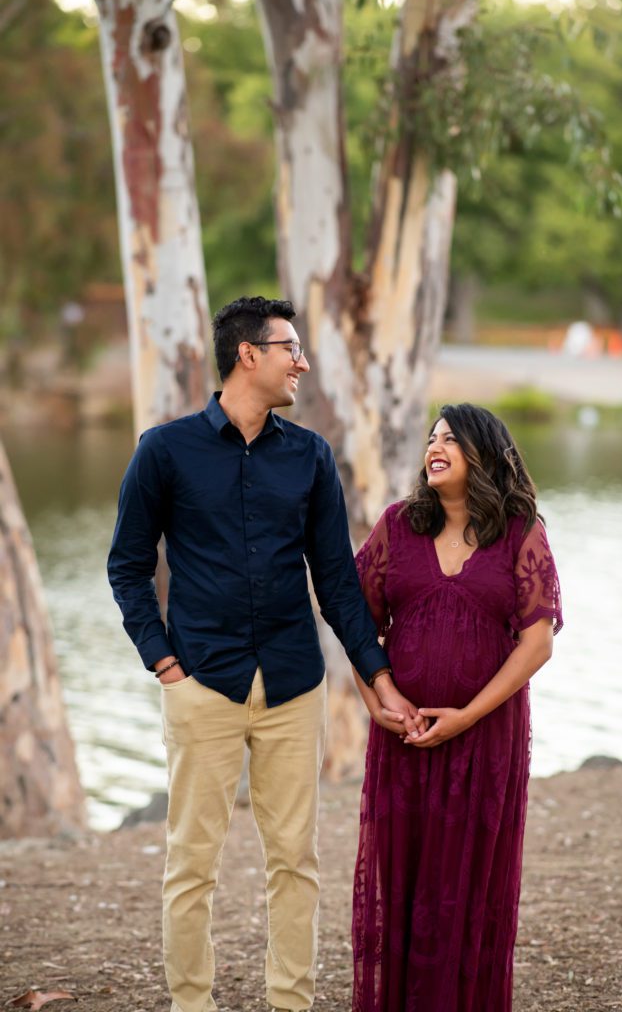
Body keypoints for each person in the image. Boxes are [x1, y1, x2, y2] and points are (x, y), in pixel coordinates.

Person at [107, 296, 424, 1012]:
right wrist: (163, 662)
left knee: (296, 862)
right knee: (191, 865)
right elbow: (127, 565)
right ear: (248, 354)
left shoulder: (309, 455)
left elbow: (336, 579)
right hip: (202, 683)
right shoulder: (164, 450)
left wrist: (378, 675)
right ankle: (193, 1005)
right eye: (291, 349)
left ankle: (292, 1004)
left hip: (290, 683)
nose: (302, 363)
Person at [350, 403, 563, 1012]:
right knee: (407, 882)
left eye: (451, 439)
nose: (434, 446)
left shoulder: (519, 531)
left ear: (485, 454)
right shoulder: (397, 525)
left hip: (484, 740)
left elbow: (538, 642)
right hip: (404, 739)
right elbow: (358, 629)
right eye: (431, 438)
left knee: (467, 890)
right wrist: (378, 706)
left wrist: (467, 716)